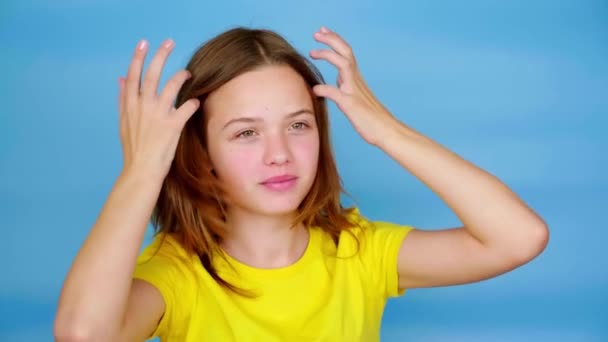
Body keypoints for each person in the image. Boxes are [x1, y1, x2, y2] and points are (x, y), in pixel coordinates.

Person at [54, 26, 549, 341]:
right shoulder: (176, 275)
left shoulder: (359, 253)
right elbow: (82, 334)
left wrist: (388, 132)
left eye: (298, 125)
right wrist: (142, 170)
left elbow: (519, 237)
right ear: (200, 155)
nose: (280, 155)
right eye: (246, 133)